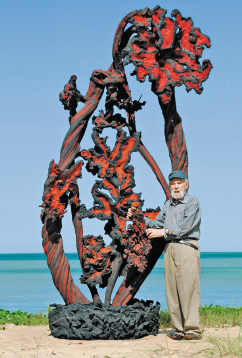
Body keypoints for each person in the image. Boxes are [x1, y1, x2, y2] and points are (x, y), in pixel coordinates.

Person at [127, 170, 202, 340]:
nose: (176, 186)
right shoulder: (168, 204)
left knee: (189, 288)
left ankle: (192, 329)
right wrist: (137, 216)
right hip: (170, 249)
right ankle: (178, 329)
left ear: (186, 184)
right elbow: (155, 223)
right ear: (170, 186)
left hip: (187, 246)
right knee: (172, 289)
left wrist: (163, 231)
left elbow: (186, 226)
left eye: (179, 183)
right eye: (173, 183)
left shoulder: (193, 202)